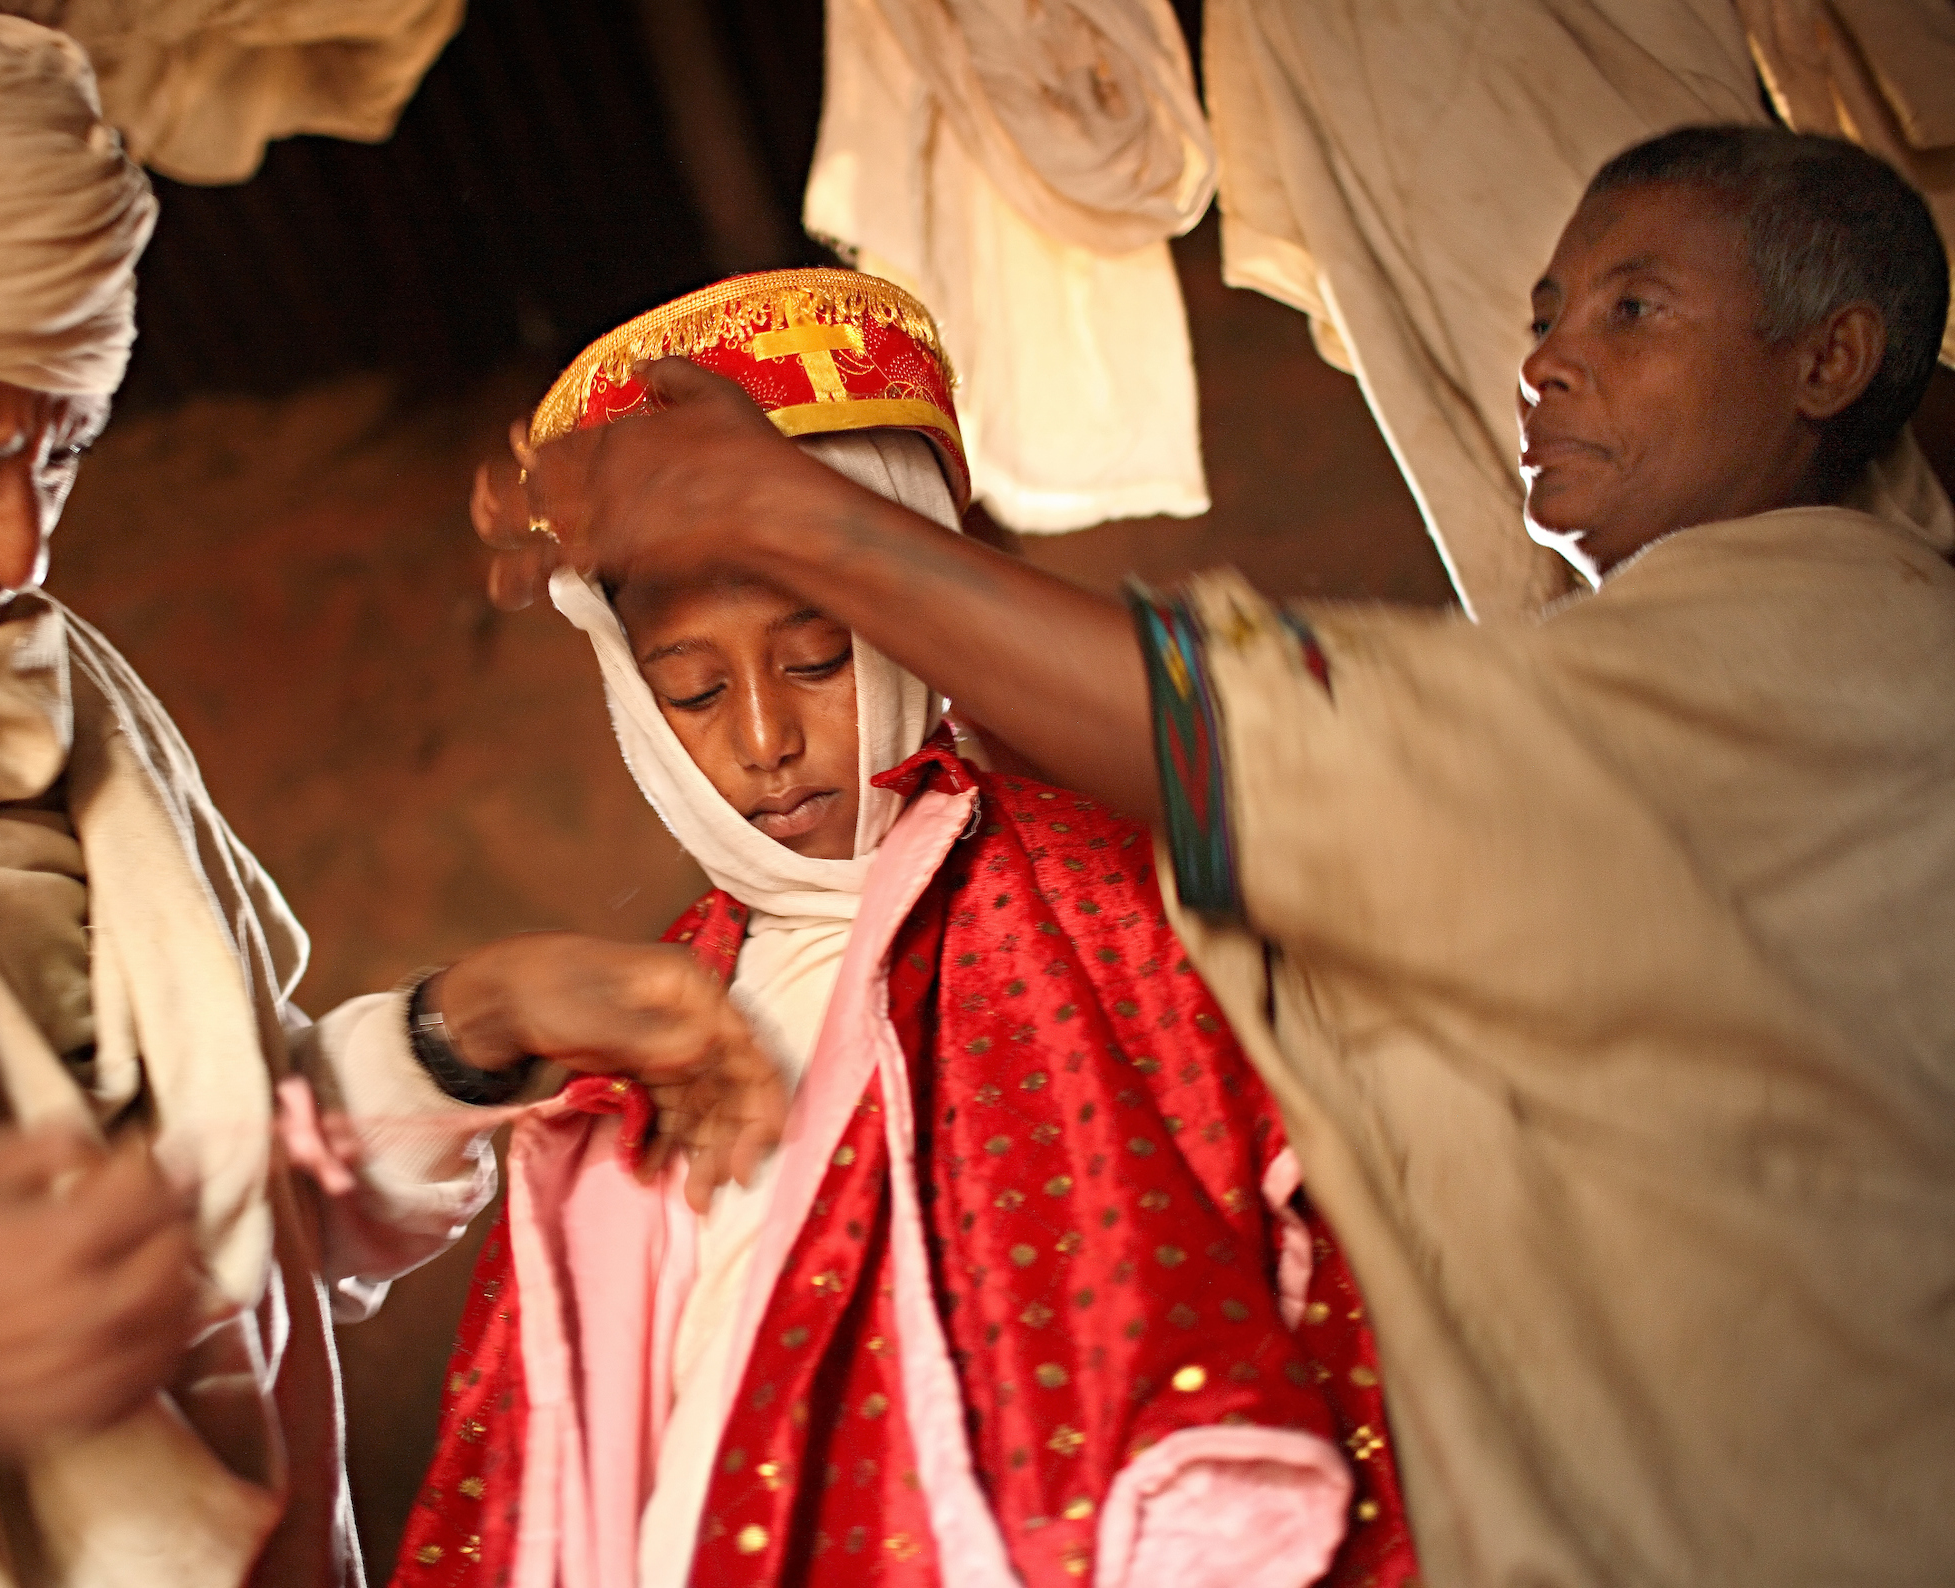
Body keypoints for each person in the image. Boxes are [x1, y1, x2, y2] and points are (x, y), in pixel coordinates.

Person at [474, 129, 1955, 1587]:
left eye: (1634, 308)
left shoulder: (1829, 652)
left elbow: (1277, 744)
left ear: (1828, 361)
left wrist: (790, 510)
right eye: (1545, 315)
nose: (1548, 363)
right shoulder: (1654, 672)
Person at [0, 5, 776, 1586]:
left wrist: (455, 1036)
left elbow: (219, 1224)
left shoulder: (59, 703)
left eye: (57, 459)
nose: (17, 551)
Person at [283, 270, 1415, 1588]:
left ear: (906, 597)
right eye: (692, 690)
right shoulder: (648, 1015)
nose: (764, 741)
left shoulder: (1105, 896)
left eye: (817, 659)